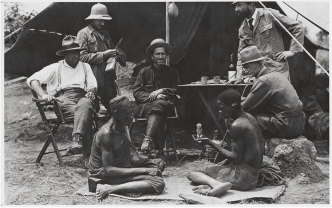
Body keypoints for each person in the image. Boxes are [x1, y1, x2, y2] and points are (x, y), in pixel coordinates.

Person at [27, 35, 97, 157]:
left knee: (86, 104)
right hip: (63, 99)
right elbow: (33, 79)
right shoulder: (55, 67)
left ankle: (77, 139)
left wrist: (91, 92)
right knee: (87, 112)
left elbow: (93, 85)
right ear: (65, 55)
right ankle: (90, 157)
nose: (76, 56)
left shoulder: (86, 66)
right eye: (72, 53)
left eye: (77, 52)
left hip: (83, 98)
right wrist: (43, 95)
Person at [187, 89, 264, 197]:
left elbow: (235, 158)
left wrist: (210, 143)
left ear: (233, 105)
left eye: (221, 108)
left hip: (243, 178)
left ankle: (217, 184)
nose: (220, 112)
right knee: (213, 167)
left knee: (193, 172)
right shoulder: (250, 118)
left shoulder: (237, 125)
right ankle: (219, 183)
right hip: (254, 174)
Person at [88, 96, 165, 200]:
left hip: (122, 165)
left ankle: (135, 185)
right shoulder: (106, 134)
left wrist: (147, 160)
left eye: (131, 110)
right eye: (128, 112)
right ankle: (110, 189)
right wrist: (144, 171)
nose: (131, 115)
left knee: (160, 163)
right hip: (104, 175)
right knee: (158, 182)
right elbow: (109, 169)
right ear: (116, 113)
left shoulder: (123, 126)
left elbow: (133, 154)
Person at [240, 46, 305, 138]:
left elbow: (245, 107)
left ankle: (239, 150)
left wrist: (234, 103)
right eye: (243, 67)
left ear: (259, 64)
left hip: (286, 126)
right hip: (299, 123)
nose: (245, 70)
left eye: (247, 66)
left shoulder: (263, 80)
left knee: (240, 116)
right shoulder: (275, 74)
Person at [132, 38, 181, 159]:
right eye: (157, 54)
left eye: (162, 54)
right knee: (158, 109)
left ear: (166, 56)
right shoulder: (143, 72)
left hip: (166, 106)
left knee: (160, 106)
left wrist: (162, 90)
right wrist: (152, 96)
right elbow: (137, 92)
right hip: (145, 106)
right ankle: (159, 151)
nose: (160, 57)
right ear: (152, 56)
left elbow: (177, 89)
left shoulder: (172, 72)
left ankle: (147, 143)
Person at [233, 1, 304, 80]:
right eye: (235, 6)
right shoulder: (242, 29)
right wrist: (239, 78)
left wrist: (292, 51)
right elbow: (241, 55)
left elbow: (297, 27)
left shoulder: (269, 15)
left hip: (278, 71)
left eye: (239, 5)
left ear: (250, 5)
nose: (236, 9)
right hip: (260, 75)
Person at [77, 3, 126, 114]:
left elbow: (112, 49)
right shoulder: (83, 34)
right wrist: (104, 55)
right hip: (93, 76)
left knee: (113, 105)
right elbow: (81, 57)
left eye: (104, 20)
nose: (103, 23)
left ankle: (113, 129)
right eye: (100, 20)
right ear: (93, 19)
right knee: (93, 108)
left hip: (108, 74)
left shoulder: (105, 33)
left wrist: (116, 53)